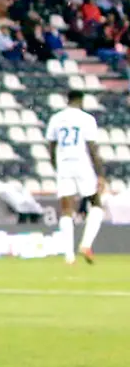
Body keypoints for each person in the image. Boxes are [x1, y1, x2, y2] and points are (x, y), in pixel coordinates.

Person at [45, 90, 105, 264]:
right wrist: (100, 174)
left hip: (64, 164)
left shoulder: (56, 119)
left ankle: (68, 256)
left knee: (66, 209)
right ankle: (86, 244)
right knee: (96, 203)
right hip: (82, 163)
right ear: (81, 101)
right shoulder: (86, 119)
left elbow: (51, 147)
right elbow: (92, 148)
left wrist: (57, 167)